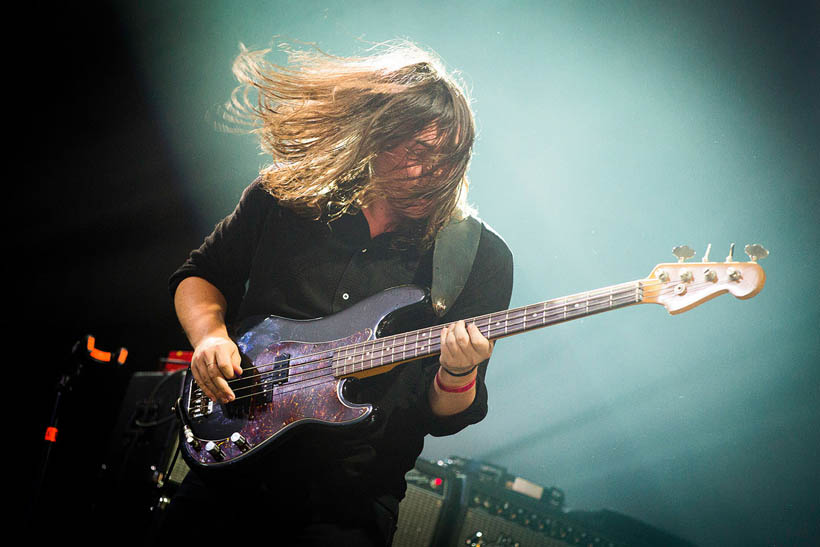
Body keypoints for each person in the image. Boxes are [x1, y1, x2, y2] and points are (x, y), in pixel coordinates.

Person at [159, 41, 513, 546]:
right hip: (229, 469)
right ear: (374, 135)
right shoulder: (286, 195)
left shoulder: (480, 258)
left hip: (346, 502)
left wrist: (459, 371)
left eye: (447, 159)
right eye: (416, 152)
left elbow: (444, 418)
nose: (431, 172)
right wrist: (210, 338)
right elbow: (202, 274)